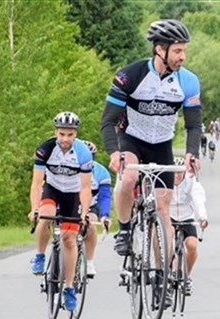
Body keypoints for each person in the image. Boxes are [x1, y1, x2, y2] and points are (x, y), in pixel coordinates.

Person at [99, 19, 202, 257]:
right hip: (132, 139)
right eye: (177, 50)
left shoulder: (188, 81)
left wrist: (191, 154)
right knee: (128, 178)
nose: (182, 56)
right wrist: (115, 153)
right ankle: (124, 229)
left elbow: (194, 125)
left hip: (162, 145)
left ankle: (161, 277)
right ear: (159, 49)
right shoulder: (130, 76)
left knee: (163, 209)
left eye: (184, 50)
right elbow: (108, 121)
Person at [28, 111, 93, 311]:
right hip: (52, 189)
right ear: (56, 132)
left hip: (73, 193)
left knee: (69, 239)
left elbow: (85, 187)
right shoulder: (45, 150)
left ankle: (69, 287)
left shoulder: (83, 152)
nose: (65, 139)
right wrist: (34, 208)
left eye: (70, 135)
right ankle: (39, 255)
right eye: (62, 134)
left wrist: (84, 212)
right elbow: (37, 184)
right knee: (45, 216)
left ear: (75, 134)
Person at [169, 157, 209, 299]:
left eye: (180, 172)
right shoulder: (165, 183)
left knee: (192, 246)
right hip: (170, 218)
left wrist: (203, 217)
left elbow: (199, 200)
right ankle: (168, 273)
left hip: (187, 218)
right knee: (169, 240)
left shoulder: (191, 183)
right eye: (174, 172)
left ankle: (186, 276)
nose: (177, 176)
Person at [81, 140, 112, 278]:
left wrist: (104, 215)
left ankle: (89, 262)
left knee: (91, 225)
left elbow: (104, 197)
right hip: (71, 202)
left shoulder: (101, 172)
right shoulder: (69, 169)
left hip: (91, 205)